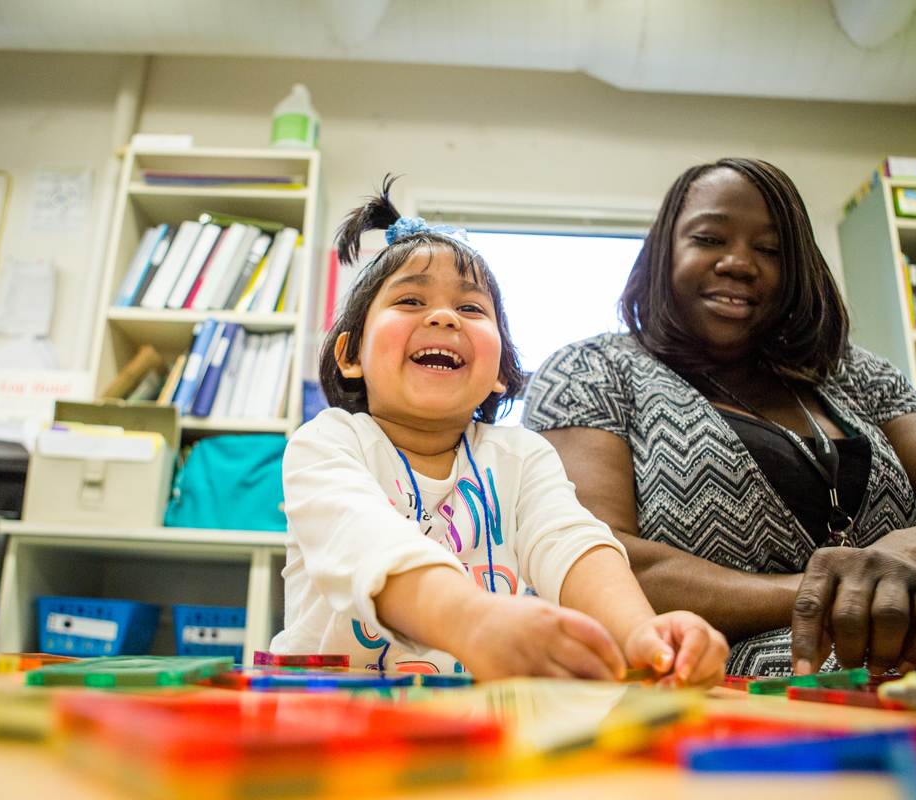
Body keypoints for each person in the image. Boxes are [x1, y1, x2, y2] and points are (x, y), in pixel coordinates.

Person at [270, 178, 728, 684]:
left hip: (476, 726)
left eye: (471, 308)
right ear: (351, 355)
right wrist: (474, 619)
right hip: (328, 725)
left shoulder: (521, 455)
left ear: (502, 372)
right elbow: (365, 541)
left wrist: (643, 633)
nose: (444, 317)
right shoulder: (326, 443)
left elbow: (569, 542)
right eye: (409, 302)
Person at [523, 158, 916, 677]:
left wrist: (907, 554)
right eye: (710, 239)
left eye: (770, 250)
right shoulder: (593, 369)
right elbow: (597, 553)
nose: (739, 263)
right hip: (731, 693)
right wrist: (829, 593)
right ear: (664, 253)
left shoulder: (850, 371)